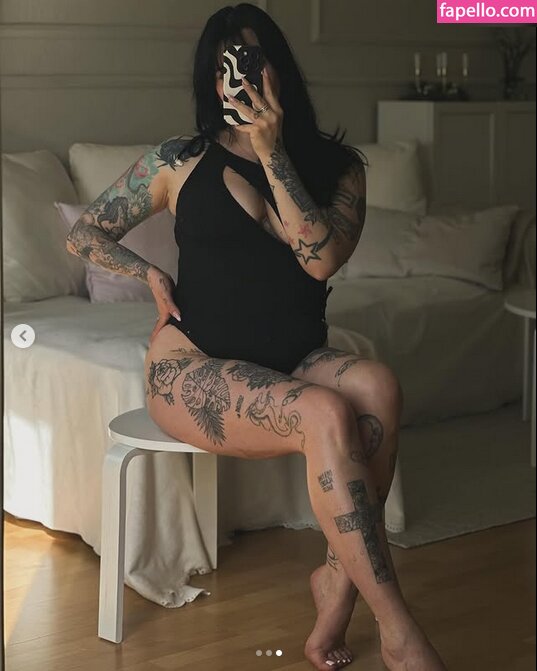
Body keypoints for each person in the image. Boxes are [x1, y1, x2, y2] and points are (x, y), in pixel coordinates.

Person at [66, 4, 447, 670]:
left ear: (278, 65)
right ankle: (399, 632)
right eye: (224, 65)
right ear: (210, 80)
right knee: (324, 412)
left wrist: (272, 151)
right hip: (191, 364)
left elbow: (319, 259)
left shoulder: (339, 168)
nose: (238, 76)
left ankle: (337, 585)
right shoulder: (180, 159)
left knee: (378, 386)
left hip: (294, 355)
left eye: (249, 57)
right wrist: (147, 272)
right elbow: (84, 233)